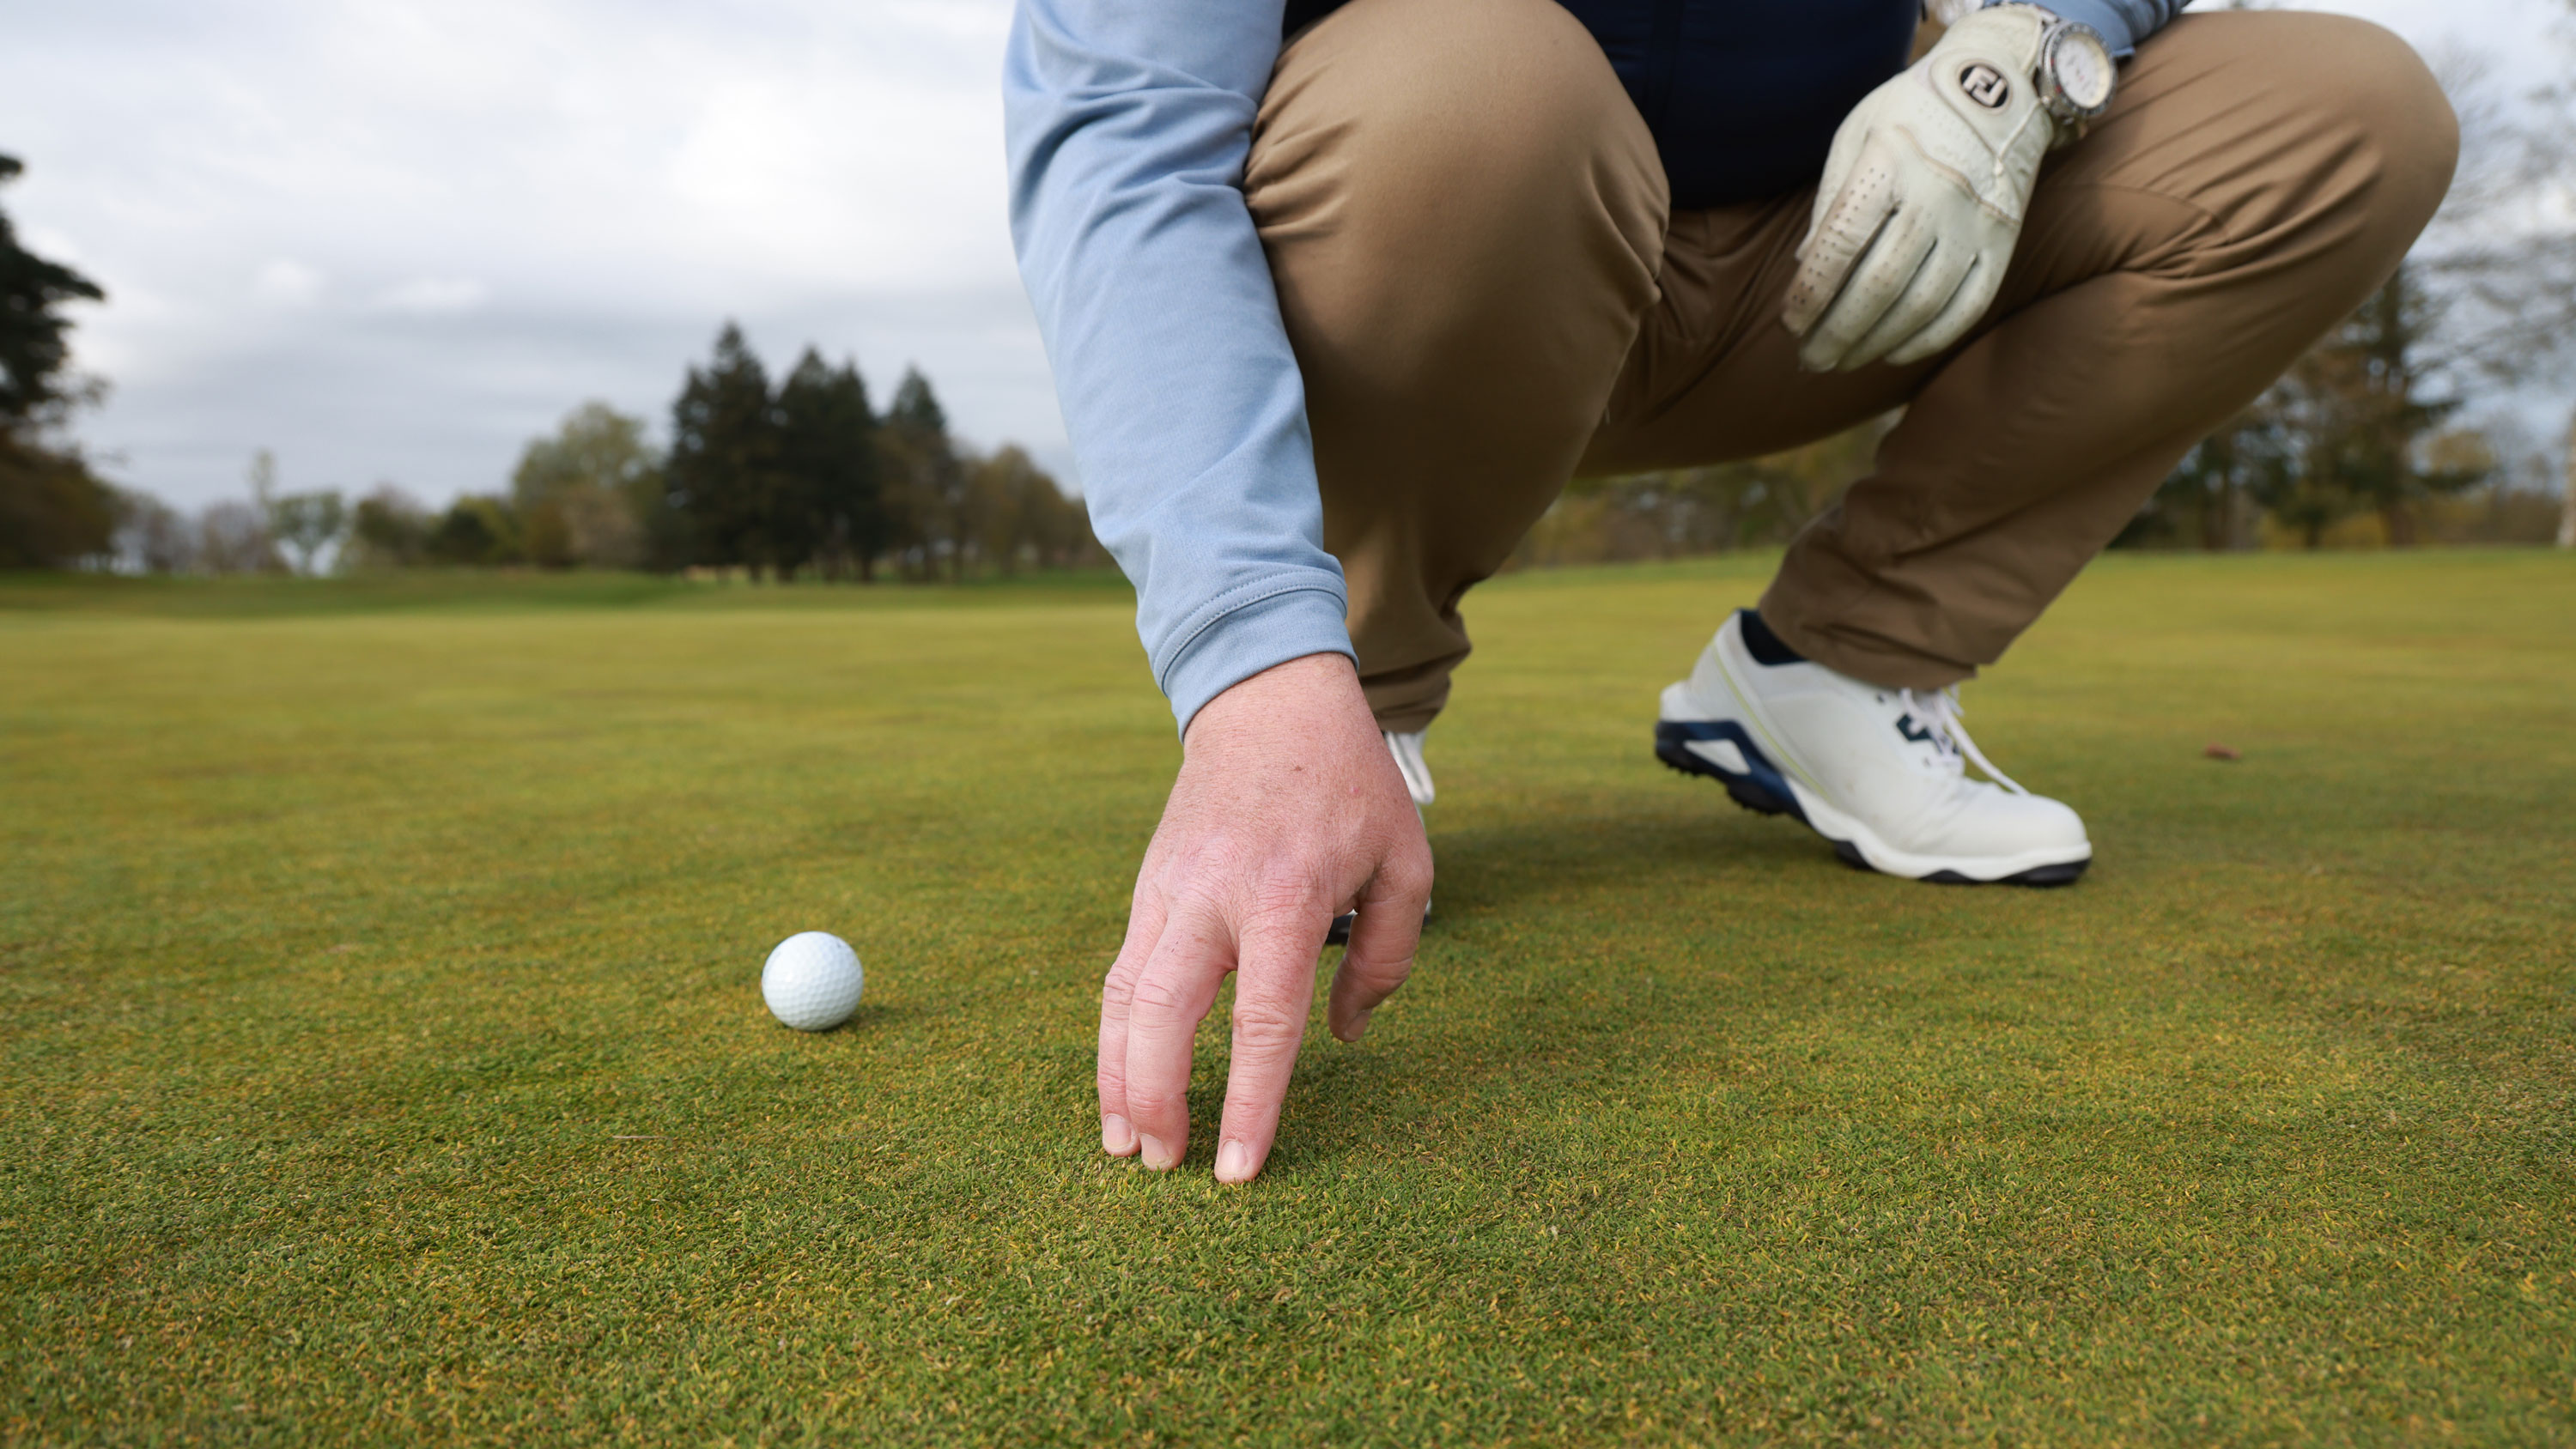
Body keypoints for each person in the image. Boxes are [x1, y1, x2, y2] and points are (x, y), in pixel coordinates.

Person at [1004, 0, 2457, 1183]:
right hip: (1445, 229)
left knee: (2350, 113)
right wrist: (1252, 660)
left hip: (1857, 244)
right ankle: (1347, 703)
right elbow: (1123, 141)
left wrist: (2020, 54)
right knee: (1487, 87)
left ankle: (1839, 664)